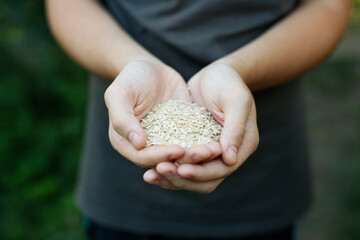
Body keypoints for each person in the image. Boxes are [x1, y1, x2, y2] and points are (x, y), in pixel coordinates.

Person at [46, 0, 352, 239]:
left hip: (262, 186)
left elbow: (327, 7)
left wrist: (239, 70)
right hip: (123, 190)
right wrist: (131, 63)